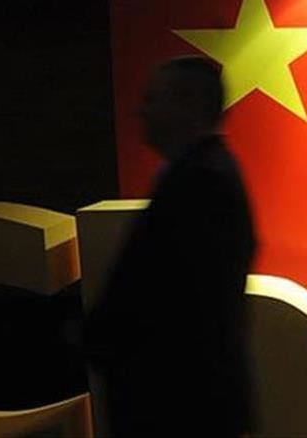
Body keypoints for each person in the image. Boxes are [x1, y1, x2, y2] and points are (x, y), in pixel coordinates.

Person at [86, 56, 255, 436]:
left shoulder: (199, 184)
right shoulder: (206, 174)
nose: (141, 111)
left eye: (154, 98)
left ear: (189, 104)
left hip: (177, 407)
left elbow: (168, 301)